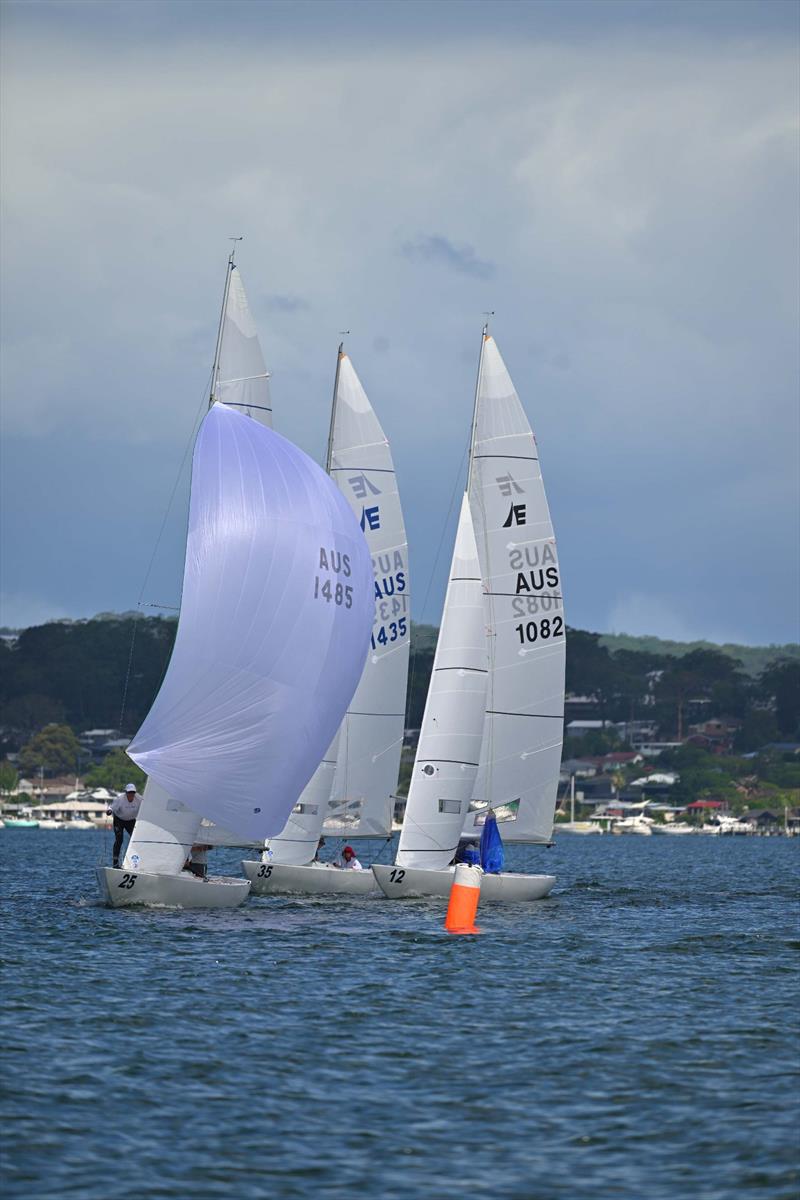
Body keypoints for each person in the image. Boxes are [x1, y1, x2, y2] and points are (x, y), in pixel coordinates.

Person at [108, 783, 141, 868]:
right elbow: (111, 808)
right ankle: (115, 863)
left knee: (136, 839)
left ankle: (135, 863)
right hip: (119, 820)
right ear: (126, 792)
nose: (131, 794)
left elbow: (147, 806)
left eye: (133, 792)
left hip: (131, 821)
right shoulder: (120, 799)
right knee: (119, 839)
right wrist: (109, 811)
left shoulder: (139, 799)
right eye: (129, 792)